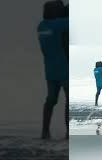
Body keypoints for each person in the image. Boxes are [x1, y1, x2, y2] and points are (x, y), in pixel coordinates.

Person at [37, 0, 69, 139]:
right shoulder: (59, 25)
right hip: (65, 69)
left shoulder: (41, 26)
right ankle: (69, 133)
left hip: (50, 70)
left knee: (51, 100)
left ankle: (45, 131)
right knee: (70, 101)